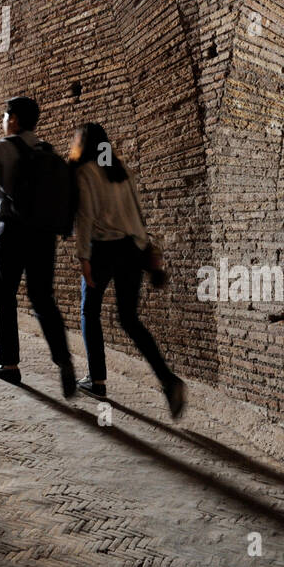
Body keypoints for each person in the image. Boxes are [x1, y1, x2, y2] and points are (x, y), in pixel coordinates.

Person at [70, 122, 186, 418]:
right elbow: (137, 213)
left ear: (84, 144)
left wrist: (83, 256)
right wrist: (145, 248)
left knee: (89, 311)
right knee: (129, 319)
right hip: (132, 249)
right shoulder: (121, 171)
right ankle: (168, 379)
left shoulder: (86, 173)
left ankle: (97, 380)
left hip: (102, 250)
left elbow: (84, 217)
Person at [0, 96, 76, 396]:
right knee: (43, 297)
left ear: (14, 119)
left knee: (5, 297)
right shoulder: (48, 151)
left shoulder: (0, 148)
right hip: (43, 235)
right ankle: (64, 360)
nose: (2, 121)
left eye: (4, 116)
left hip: (13, 233)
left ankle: (9, 365)